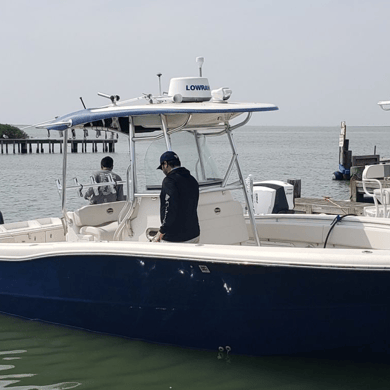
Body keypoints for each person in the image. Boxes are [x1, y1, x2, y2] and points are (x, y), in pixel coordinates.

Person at [153, 151, 200, 243]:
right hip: (194, 233)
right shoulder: (192, 180)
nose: (163, 171)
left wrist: (162, 231)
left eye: (162, 167)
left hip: (175, 237)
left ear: (165, 164)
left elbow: (169, 207)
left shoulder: (169, 181)